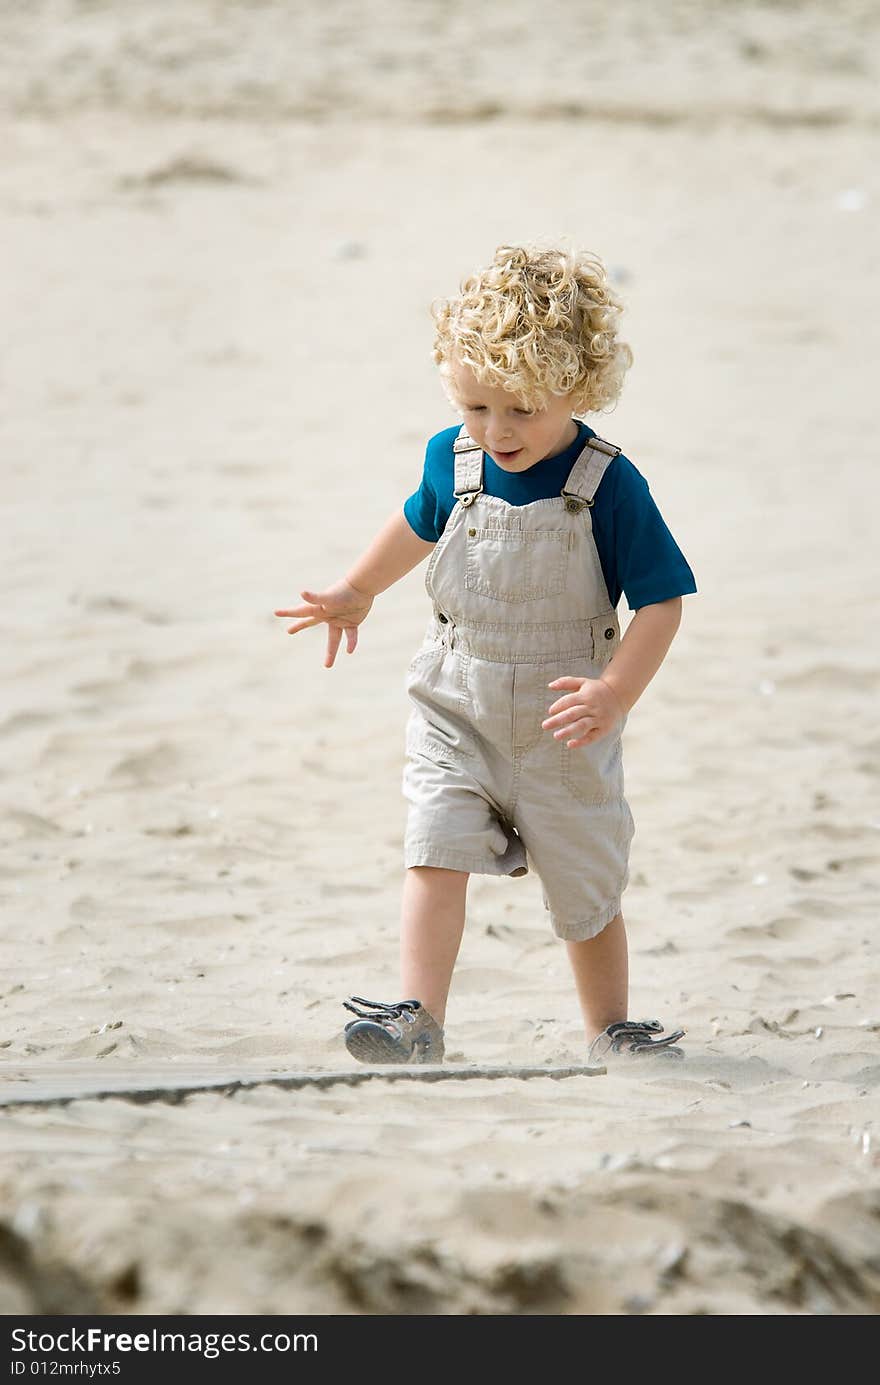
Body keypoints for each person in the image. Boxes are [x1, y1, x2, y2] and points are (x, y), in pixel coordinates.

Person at [275, 243, 696, 1066]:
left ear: (578, 389)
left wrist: (616, 691)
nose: (495, 431)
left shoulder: (608, 484)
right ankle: (416, 1014)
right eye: (476, 407)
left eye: (521, 410)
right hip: (455, 702)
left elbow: (662, 601)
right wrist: (358, 587)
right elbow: (419, 522)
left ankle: (608, 1025)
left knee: (586, 887)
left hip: (564, 720)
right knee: (433, 849)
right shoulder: (453, 457)